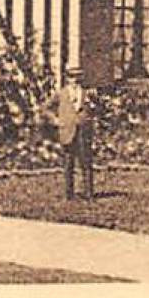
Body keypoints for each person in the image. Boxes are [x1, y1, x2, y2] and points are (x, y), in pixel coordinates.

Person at [51, 68, 94, 201]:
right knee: (68, 163)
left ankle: (89, 194)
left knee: (86, 163)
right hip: (67, 131)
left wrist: (89, 117)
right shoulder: (61, 94)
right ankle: (69, 195)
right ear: (67, 78)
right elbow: (47, 108)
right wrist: (56, 119)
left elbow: (95, 109)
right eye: (71, 77)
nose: (74, 80)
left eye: (77, 77)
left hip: (83, 130)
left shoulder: (86, 93)